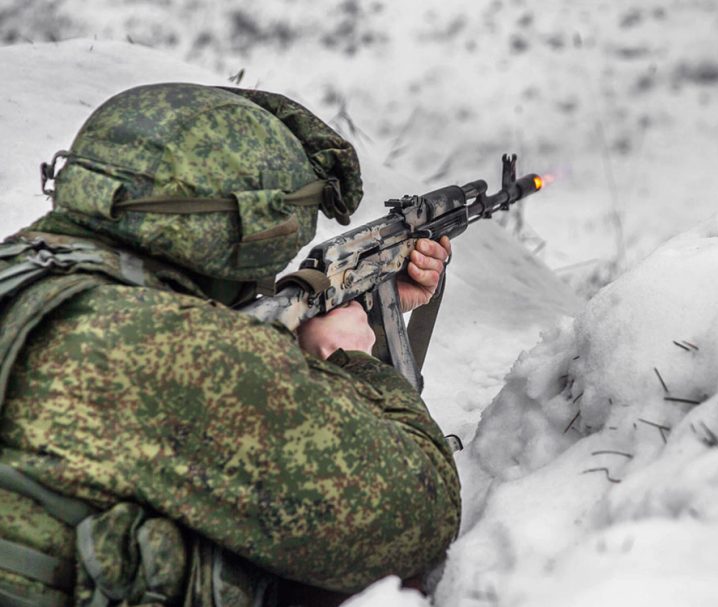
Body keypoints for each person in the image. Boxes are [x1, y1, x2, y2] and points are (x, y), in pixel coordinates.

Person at [0, 83, 460, 607]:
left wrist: (375, 301)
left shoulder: (26, 276)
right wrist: (348, 358)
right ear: (243, 226)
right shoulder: (181, 348)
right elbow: (418, 514)